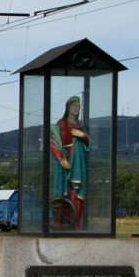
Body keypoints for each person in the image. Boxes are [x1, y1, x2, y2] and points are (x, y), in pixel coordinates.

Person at [50, 95, 90, 229]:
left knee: (76, 194)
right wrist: (61, 158)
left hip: (78, 162)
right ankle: (60, 222)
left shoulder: (80, 126)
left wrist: (83, 136)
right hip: (65, 161)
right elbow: (53, 142)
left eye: (78, 106)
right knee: (63, 192)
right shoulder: (60, 125)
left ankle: (76, 224)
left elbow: (89, 143)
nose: (77, 109)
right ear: (68, 107)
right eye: (74, 106)